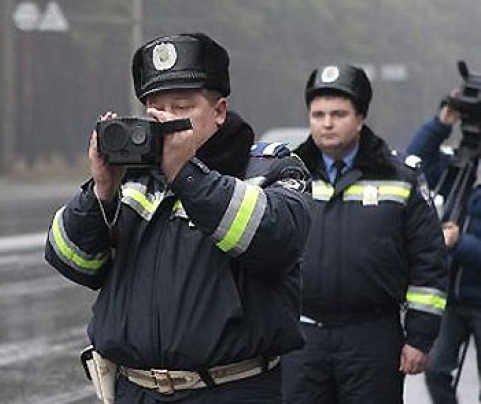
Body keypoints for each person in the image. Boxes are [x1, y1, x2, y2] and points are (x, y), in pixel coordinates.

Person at [44, 32, 312, 403]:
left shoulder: (270, 167)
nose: (165, 120)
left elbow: (276, 241)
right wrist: (101, 190)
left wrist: (186, 173)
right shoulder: (134, 177)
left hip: (229, 390)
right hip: (135, 391)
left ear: (218, 111)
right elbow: (72, 261)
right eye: (155, 107)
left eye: (181, 108)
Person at [282, 64, 448, 404]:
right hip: (301, 338)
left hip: (372, 337)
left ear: (360, 118)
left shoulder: (400, 177)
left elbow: (429, 260)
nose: (326, 123)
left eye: (338, 114)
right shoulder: (287, 175)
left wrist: (419, 337)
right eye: (318, 114)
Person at [406, 95, 481, 404]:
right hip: (452, 297)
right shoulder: (462, 166)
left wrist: (458, 243)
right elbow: (414, 160)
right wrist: (441, 123)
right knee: (435, 370)